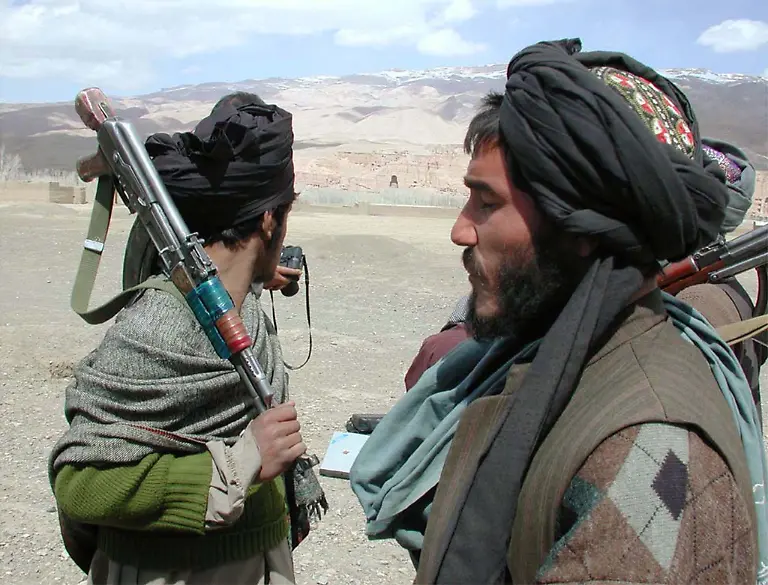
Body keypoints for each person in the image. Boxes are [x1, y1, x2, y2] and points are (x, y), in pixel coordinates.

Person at [350, 38, 766, 584]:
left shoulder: (647, 445)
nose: (460, 230)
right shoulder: (543, 363)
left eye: (488, 202)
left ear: (582, 228)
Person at [48, 91, 327, 584]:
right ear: (268, 219)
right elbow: (80, 483)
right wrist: (243, 463)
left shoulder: (233, 303)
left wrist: (261, 276)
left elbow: (230, 273)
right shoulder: (162, 328)